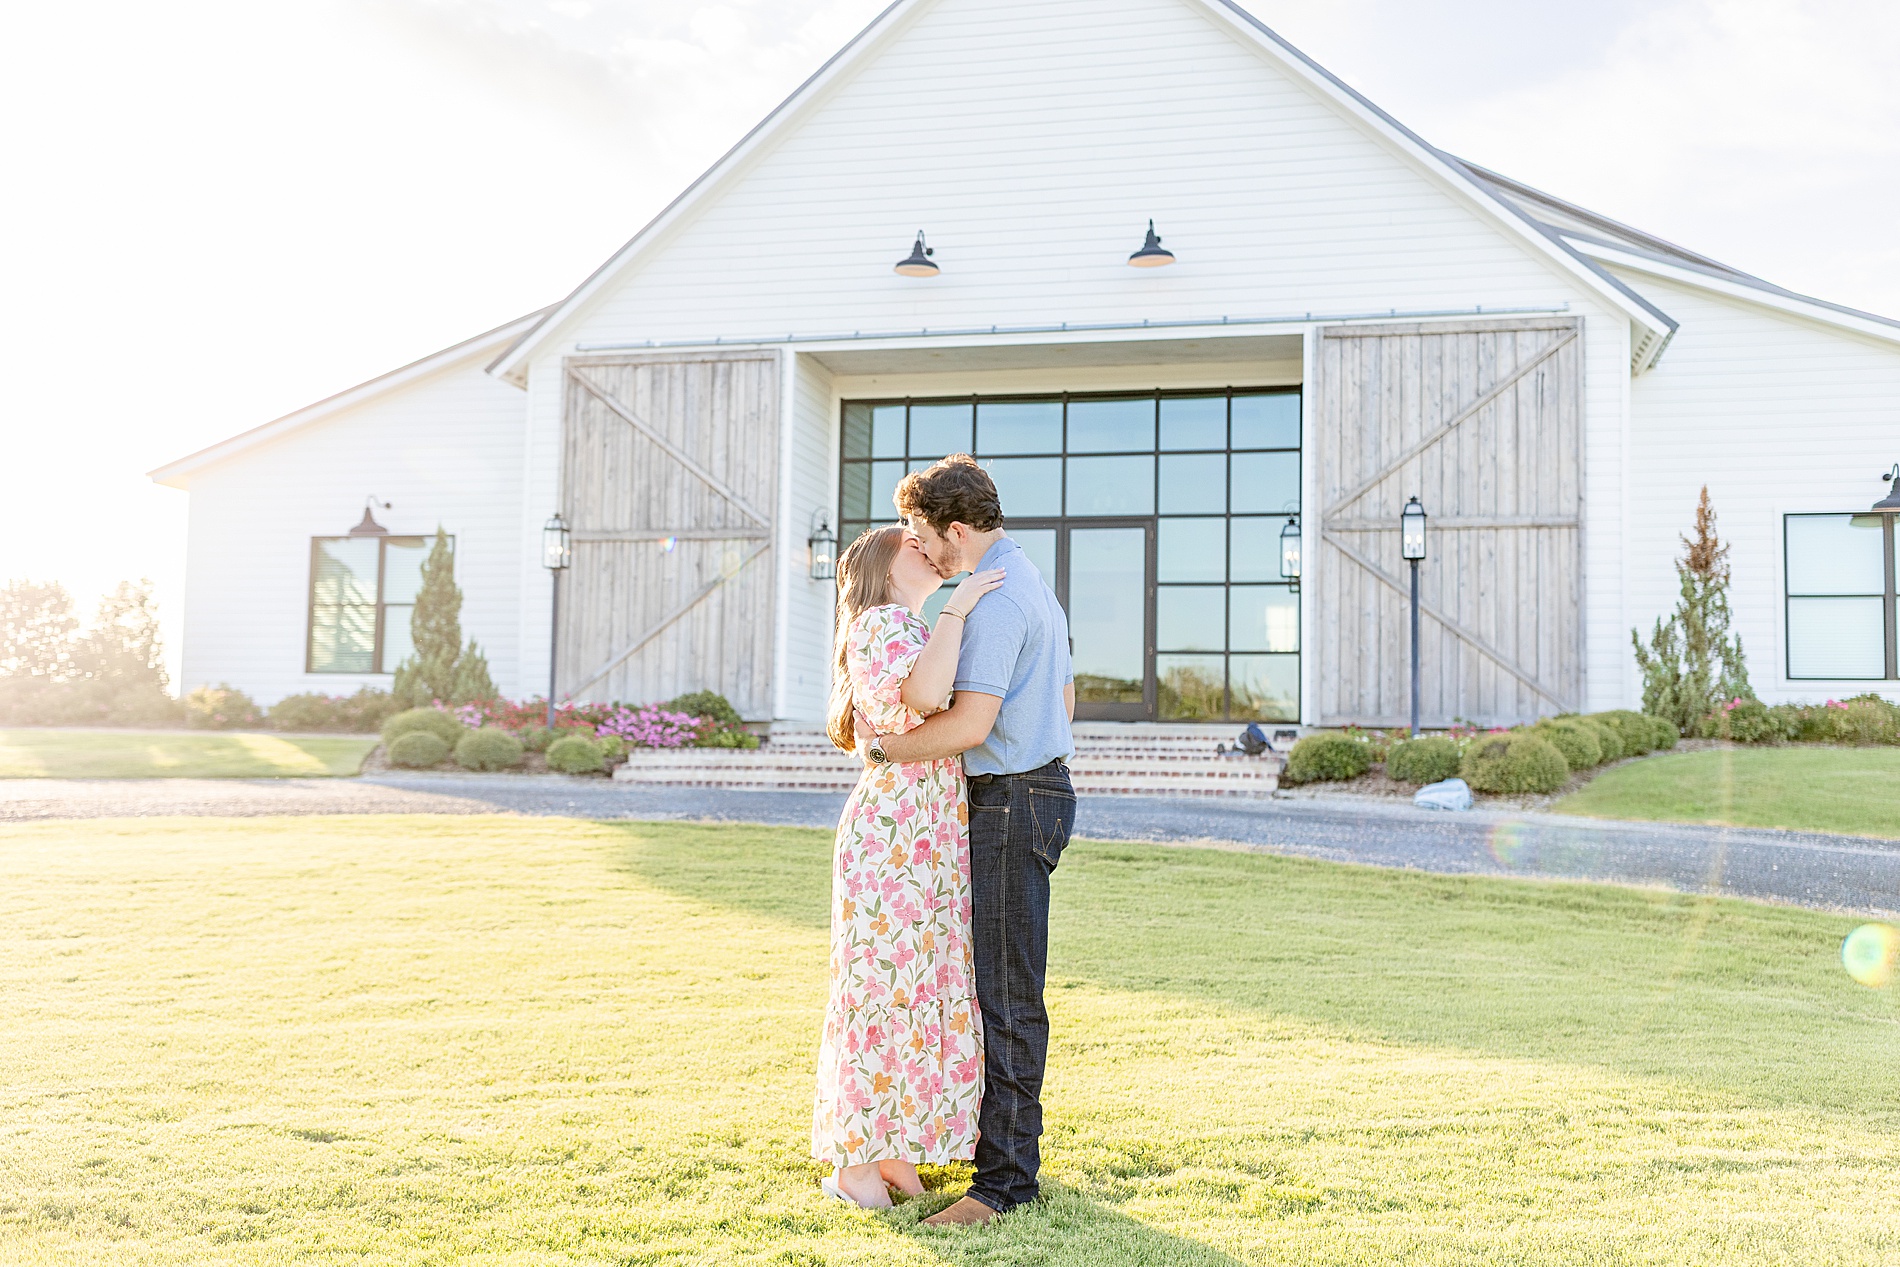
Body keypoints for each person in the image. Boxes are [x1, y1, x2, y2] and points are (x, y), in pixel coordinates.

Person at [855, 454, 1076, 1226]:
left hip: (1012, 799)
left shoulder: (994, 602)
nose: (917, 547)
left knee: (1008, 998)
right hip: (1034, 788)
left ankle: (1003, 1185)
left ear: (954, 530)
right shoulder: (1029, 580)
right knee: (1006, 989)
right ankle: (1001, 1163)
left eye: (920, 532)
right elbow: (1064, 693)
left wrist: (882, 748)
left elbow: (968, 724)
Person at [812, 524, 1006, 1208]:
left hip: (926, 833)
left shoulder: (908, 625)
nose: (923, 546)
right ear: (881, 567)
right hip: (894, 833)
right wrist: (958, 608)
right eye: (909, 541)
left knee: (917, 984)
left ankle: (893, 1147)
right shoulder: (879, 624)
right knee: (881, 990)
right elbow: (926, 702)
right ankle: (853, 1162)